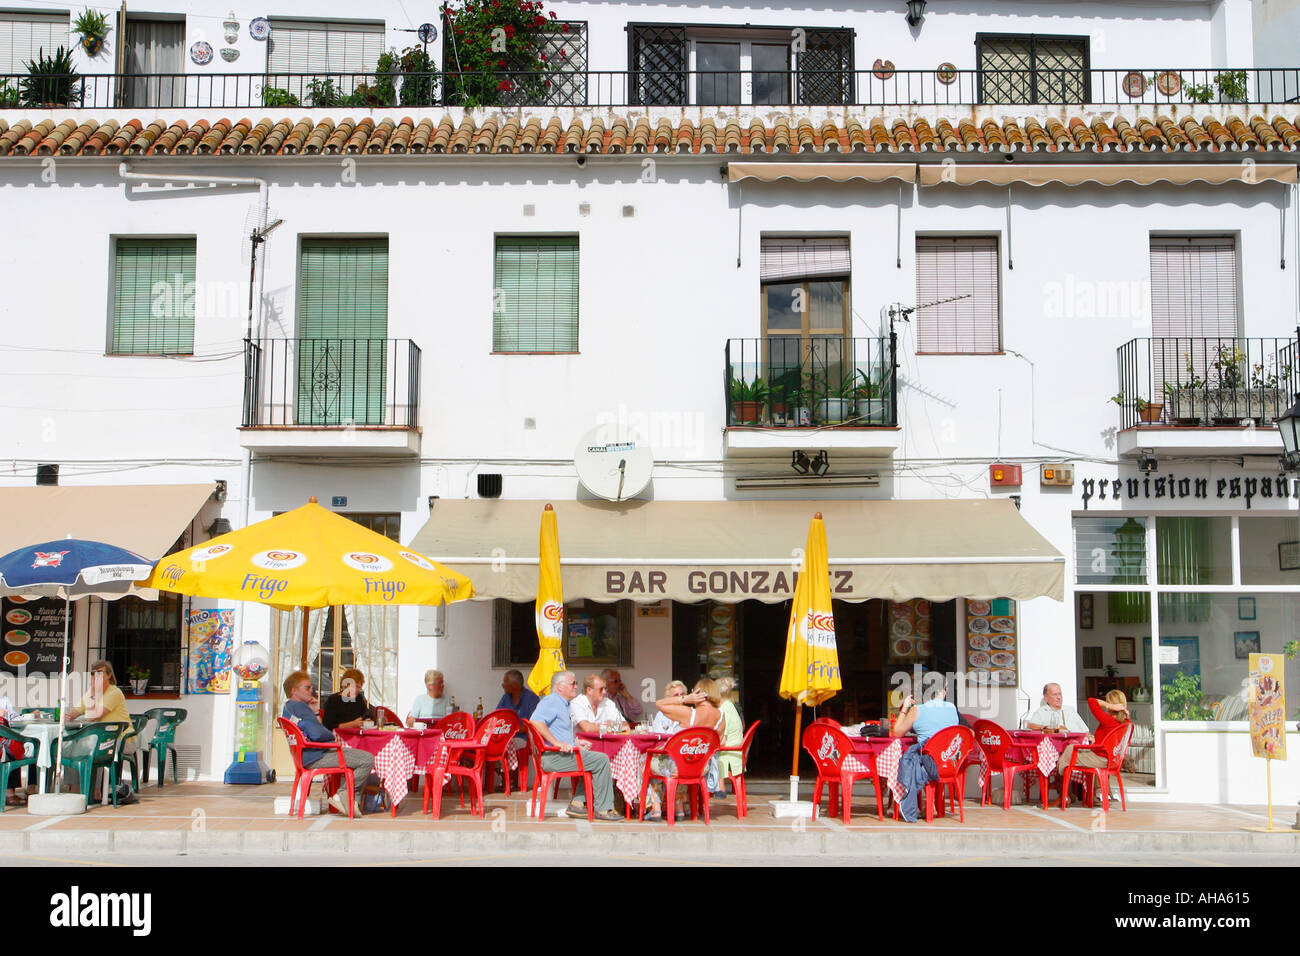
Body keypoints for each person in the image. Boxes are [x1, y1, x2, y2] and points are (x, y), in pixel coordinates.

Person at [282, 670, 377, 815]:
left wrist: (314, 713)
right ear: (294, 690)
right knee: (367, 759)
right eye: (307, 688)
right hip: (317, 755)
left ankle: (351, 803)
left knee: (358, 759)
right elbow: (320, 733)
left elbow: (312, 729)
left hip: (303, 756)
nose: (311, 690)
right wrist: (329, 736)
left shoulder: (288, 708)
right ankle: (342, 794)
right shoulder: (301, 708)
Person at [528, 671, 620, 821]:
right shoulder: (552, 701)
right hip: (554, 757)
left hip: (559, 755)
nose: (577, 686)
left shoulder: (564, 704)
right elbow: (536, 721)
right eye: (573, 684)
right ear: (560, 687)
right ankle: (603, 809)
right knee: (602, 760)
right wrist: (557, 743)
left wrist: (575, 743)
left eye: (576, 683)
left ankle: (577, 804)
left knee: (593, 758)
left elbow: (557, 730)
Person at [647, 678, 725, 820]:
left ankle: (656, 809)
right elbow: (718, 742)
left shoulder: (689, 713)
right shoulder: (720, 716)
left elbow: (659, 703)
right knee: (681, 760)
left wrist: (685, 699)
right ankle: (680, 807)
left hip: (681, 766)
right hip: (702, 767)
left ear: (698, 693)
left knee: (646, 762)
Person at [891, 686, 961, 822]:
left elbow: (897, 732)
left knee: (909, 760)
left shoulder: (917, 710)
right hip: (949, 763)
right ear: (941, 691)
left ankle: (904, 801)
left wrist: (905, 708)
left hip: (930, 764)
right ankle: (932, 806)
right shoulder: (952, 708)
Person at [1057, 689, 1130, 775]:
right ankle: (1095, 786)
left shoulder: (1108, 720)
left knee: (1070, 749)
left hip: (1101, 759)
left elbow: (1091, 701)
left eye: (1107, 701)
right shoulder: (1126, 722)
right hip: (1113, 759)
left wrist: (1109, 705)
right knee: (1074, 749)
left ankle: (1061, 778)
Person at [714, 676, 744, 794]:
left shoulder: (723, 709)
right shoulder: (731, 705)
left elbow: (722, 739)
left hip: (729, 750)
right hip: (737, 750)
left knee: (707, 753)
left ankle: (719, 788)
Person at [1025, 683, 1089, 733]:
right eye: (1055, 694)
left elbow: (1085, 730)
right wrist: (1048, 728)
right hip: (1059, 746)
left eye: (1060, 694)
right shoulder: (1042, 711)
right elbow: (1030, 726)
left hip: (1078, 743)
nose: (1059, 697)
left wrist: (1090, 737)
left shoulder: (1070, 710)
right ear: (1046, 697)